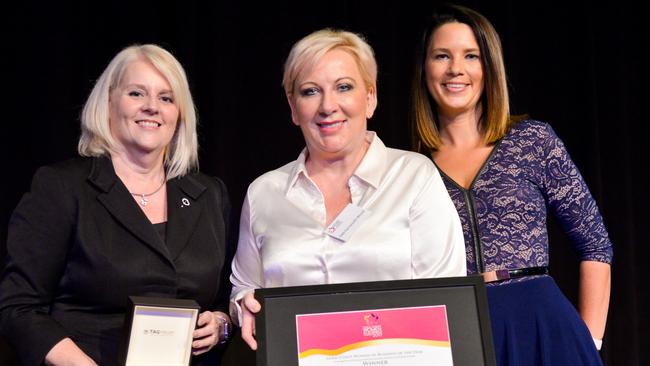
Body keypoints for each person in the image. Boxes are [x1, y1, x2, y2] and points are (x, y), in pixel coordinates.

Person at [229, 28, 467, 350]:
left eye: (344, 87)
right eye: (310, 91)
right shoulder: (264, 193)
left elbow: (447, 295)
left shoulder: (414, 177)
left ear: (370, 97)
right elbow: (245, 285)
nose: (328, 105)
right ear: (293, 106)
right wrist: (243, 304)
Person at [0, 44, 233, 366]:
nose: (152, 107)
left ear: (179, 114)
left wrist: (220, 323)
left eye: (166, 98)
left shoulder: (209, 194)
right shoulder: (62, 187)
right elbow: (18, 307)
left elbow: (223, 297)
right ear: (108, 102)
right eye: (137, 93)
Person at [411, 4, 613, 365]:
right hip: (457, 331)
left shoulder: (532, 141)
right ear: (425, 68)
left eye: (471, 56)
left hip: (541, 326)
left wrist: (588, 341)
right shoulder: (410, 168)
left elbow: (596, 245)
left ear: (489, 68)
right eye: (442, 56)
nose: (456, 68)